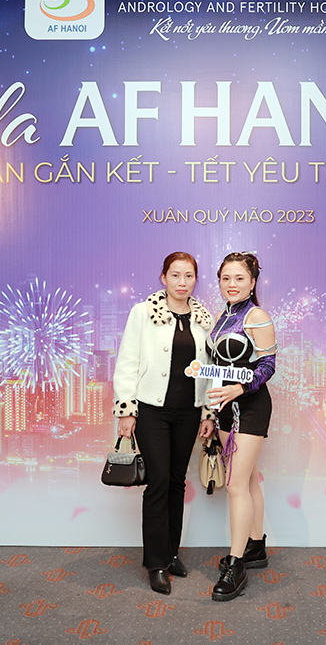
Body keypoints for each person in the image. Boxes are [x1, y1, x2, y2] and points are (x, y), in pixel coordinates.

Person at [113, 252, 216, 595]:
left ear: (195, 280)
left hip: (189, 411)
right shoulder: (143, 313)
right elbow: (128, 360)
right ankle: (155, 563)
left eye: (189, 276)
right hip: (152, 411)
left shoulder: (203, 319)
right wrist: (126, 410)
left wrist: (208, 413)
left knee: (176, 483)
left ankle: (171, 554)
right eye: (175, 275)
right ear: (163, 277)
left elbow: (210, 371)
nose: (182, 282)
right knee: (157, 482)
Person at [206, 252, 276, 601]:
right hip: (223, 408)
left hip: (249, 408)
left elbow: (268, 365)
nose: (231, 284)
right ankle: (256, 546)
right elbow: (216, 368)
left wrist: (240, 388)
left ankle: (235, 565)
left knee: (234, 485)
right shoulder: (224, 315)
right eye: (225, 278)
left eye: (239, 278)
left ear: (252, 282)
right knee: (247, 480)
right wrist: (209, 412)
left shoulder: (256, 316)